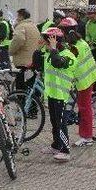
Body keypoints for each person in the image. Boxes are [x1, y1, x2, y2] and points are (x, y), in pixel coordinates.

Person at [58, 17, 96, 146]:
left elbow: (71, 65)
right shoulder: (80, 42)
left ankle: (87, 137)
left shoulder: (75, 47)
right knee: (85, 108)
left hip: (84, 81)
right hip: (89, 78)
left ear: (65, 32)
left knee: (84, 108)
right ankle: (86, 135)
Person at [35, 27, 77, 162]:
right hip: (52, 94)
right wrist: (38, 49)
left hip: (62, 95)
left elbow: (58, 63)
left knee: (61, 123)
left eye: (48, 41)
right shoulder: (50, 53)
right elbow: (37, 65)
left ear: (55, 41)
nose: (46, 43)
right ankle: (56, 145)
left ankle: (65, 150)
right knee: (54, 122)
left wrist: (53, 49)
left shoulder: (67, 55)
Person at [9, 8, 40, 90]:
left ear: (21, 17)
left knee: (21, 86)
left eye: (18, 16)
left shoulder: (21, 26)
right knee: (32, 85)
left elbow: (19, 39)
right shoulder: (33, 26)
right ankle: (34, 102)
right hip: (33, 60)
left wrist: (11, 51)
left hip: (23, 61)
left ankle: (23, 101)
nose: (16, 18)